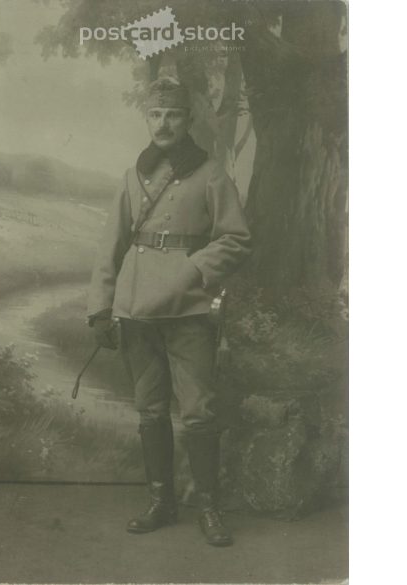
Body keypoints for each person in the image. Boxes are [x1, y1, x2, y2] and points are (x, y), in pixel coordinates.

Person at [87, 77, 251, 547]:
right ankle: (162, 501)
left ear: (187, 120)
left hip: (188, 311)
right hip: (137, 312)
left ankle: (209, 507)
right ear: (147, 119)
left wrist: (191, 270)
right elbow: (110, 246)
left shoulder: (210, 174)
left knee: (198, 411)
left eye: (173, 115)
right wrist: (101, 306)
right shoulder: (133, 176)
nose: (163, 124)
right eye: (156, 115)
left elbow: (237, 238)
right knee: (150, 409)